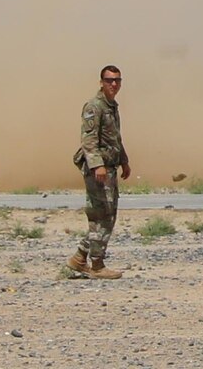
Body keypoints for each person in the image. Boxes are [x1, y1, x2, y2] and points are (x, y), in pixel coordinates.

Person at [69, 65, 129, 279]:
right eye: (109, 80)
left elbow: (115, 138)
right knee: (101, 215)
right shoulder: (94, 106)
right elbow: (89, 139)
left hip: (110, 168)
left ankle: (80, 257)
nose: (114, 84)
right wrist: (97, 165)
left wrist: (124, 161)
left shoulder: (111, 106)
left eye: (117, 80)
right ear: (101, 82)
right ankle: (97, 264)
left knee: (107, 214)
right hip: (99, 170)